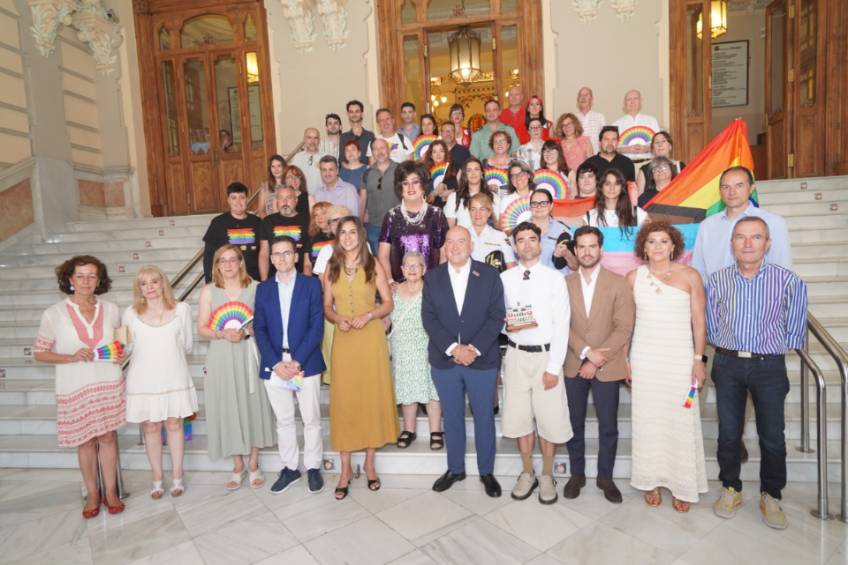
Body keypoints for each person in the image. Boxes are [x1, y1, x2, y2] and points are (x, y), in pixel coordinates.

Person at [707, 216, 807, 529]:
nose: (748, 244)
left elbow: (796, 326)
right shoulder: (718, 280)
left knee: (772, 435)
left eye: (756, 237)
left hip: (769, 366)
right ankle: (731, 488)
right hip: (728, 364)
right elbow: (711, 324)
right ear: (732, 243)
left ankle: (771, 494)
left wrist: (773, 348)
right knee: (728, 433)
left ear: (768, 243)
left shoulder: (788, 281)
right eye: (741, 237)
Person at [34, 256, 126, 518]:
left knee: (107, 437)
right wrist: (70, 357)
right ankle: (93, 494)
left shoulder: (111, 309)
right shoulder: (54, 313)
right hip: (75, 385)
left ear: (99, 280)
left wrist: (121, 354)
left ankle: (111, 492)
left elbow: (121, 344)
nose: (86, 281)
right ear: (70, 279)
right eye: (80, 276)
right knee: (85, 442)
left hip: (107, 382)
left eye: (92, 276)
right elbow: (39, 353)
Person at [626, 221, 708, 512]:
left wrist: (698, 360)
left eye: (663, 241)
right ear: (643, 247)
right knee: (648, 420)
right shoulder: (633, 278)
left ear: (674, 246)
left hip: (680, 361)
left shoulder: (690, 275)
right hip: (644, 359)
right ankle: (649, 480)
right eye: (652, 241)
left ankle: (682, 484)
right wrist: (625, 359)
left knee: (681, 418)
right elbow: (627, 323)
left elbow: (699, 321)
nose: (658, 246)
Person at [422, 226, 506, 498]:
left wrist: (474, 349)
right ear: (444, 247)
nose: (455, 246)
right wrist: (453, 349)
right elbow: (429, 318)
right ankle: (455, 468)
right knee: (452, 416)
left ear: (471, 245)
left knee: (484, 416)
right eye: (450, 242)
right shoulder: (432, 277)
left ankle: (486, 472)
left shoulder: (490, 275)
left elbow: (496, 315)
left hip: (482, 360)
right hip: (445, 360)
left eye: (461, 241)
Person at [323, 216, 398, 500]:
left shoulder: (373, 264)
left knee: (370, 398)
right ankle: (344, 469)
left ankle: (369, 464)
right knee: (344, 401)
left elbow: (388, 302)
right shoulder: (331, 266)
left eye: (352, 232)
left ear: (361, 235)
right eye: (343, 232)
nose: (347, 237)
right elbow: (327, 307)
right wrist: (337, 319)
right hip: (344, 340)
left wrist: (369, 315)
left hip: (370, 339)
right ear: (338, 237)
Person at [500, 222, 572, 504]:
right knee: (519, 418)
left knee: (549, 419)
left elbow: (562, 325)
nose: (527, 244)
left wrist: (554, 367)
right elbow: (500, 318)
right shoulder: (505, 279)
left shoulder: (554, 279)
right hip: (516, 355)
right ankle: (527, 472)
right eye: (521, 240)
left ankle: (546, 474)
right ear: (514, 246)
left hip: (546, 356)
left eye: (532, 239)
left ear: (540, 244)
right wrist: (507, 327)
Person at [562, 227, 635, 502]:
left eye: (592, 246)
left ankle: (606, 478)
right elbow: (560, 324)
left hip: (608, 365)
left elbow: (624, 326)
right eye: (581, 246)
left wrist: (595, 359)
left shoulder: (618, 283)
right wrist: (585, 352)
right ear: (575, 250)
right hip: (573, 362)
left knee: (608, 426)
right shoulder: (564, 283)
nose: (587, 251)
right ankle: (576, 474)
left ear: (601, 250)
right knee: (574, 422)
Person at [197, 245, 275, 490]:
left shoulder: (257, 288)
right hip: (221, 354)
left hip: (249, 352)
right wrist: (222, 333)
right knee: (227, 404)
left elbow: (266, 322)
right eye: (223, 260)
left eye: (233, 259)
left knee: (253, 403)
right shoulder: (209, 291)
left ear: (241, 262)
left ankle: (253, 462)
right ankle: (237, 464)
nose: (228, 264)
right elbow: (201, 328)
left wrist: (250, 331)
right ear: (217, 265)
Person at [254, 236, 327, 495]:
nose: (282, 258)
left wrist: (296, 361)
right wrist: (276, 363)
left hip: (304, 363)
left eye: (287, 253)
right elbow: (259, 329)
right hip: (275, 364)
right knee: (284, 420)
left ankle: (313, 467)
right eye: (276, 254)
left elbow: (316, 326)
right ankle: (290, 467)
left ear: (296, 256)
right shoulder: (263, 289)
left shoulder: (311, 285)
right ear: (271, 259)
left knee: (311, 419)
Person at [123, 265, 197, 499]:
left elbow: (187, 345)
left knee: (174, 424)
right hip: (143, 379)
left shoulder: (182, 309)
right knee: (150, 427)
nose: (150, 287)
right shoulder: (130, 313)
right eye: (144, 283)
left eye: (154, 281)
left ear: (163, 283)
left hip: (173, 375)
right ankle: (156, 477)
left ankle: (177, 475)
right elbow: (125, 347)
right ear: (139, 288)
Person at [692, 166, 792, 281]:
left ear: (751, 188)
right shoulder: (707, 225)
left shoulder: (773, 222)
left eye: (739, 186)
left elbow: (782, 267)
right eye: (725, 187)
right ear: (720, 191)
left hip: (759, 290)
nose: (732, 192)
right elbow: (698, 268)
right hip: (715, 290)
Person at [390, 251, 443, 450]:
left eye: (417, 265)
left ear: (424, 269)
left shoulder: (432, 290)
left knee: (431, 388)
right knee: (406, 388)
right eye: (408, 265)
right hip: (402, 348)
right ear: (402, 269)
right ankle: (409, 429)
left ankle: (435, 430)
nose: (412, 269)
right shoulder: (393, 291)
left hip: (427, 346)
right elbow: (386, 319)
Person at [378, 161, 449, 283]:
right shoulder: (391, 216)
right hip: (400, 287)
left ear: (423, 185)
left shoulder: (436, 214)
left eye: (415, 182)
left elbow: (444, 253)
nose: (410, 187)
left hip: (431, 285)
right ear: (400, 188)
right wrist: (390, 282)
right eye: (405, 183)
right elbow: (383, 255)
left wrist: (439, 282)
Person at [203, 182, 262, 282]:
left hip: (253, 280)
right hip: (226, 281)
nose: (238, 202)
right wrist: (209, 280)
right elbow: (209, 255)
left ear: (247, 199)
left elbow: (264, 252)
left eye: (242, 197)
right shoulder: (217, 223)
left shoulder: (257, 222)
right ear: (228, 200)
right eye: (234, 198)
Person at [258, 186, 312, 280]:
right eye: (281, 198)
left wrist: (305, 283)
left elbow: (308, 259)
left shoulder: (308, 221)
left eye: (289, 197)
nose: (285, 202)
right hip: (274, 278)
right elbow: (264, 253)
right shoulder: (268, 221)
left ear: (296, 201)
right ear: (277, 201)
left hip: (300, 277)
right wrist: (264, 281)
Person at [360, 138, 400, 252]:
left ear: (389, 150)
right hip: (374, 227)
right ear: (372, 153)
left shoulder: (400, 169)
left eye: (382, 148)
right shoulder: (367, 173)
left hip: (398, 224)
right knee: (377, 260)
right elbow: (363, 199)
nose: (379, 152)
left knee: (398, 259)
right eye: (375, 149)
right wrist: (360, 223)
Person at [528, 188, 577, 273]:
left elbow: (575, 266)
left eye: (543, 203)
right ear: (530, 207)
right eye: (534, 203)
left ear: (551, 206)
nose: (538, 207)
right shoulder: (519, 231)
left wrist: (567, 254)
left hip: (557, 280)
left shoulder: (563, 231)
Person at [445, 157, 499, 229]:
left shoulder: (494, 197)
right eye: (469, 170)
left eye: (476, 169)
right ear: (465, 175)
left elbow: (498, 225)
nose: (473, 173)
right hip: (462, 235)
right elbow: (450, 227)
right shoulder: (454, 197)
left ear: (482, 173)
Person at [468, 191, 516, 271]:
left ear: (489, 212)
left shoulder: (501, 236)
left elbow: (511, 267)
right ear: (469, 212)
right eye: (473, 209)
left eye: (482, 209)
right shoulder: (462, 236)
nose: (477, 213)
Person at [613, 89, 661, 163]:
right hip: (625, 164)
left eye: (635, 98)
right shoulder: (616, 124)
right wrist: (627, 149)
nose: (632, 102)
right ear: (624, 103)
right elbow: (611, 148)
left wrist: (647, 148)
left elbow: (660, 144)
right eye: (629, 99)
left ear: (640, 101)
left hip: (648, 163)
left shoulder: (652, 121)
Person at [498, 159, 535, 229]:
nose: (518, 178)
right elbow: (502, 227)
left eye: (521, 174)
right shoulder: (506, 201)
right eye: (513, 176)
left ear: (528, 175)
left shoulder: (538, 197)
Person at [289, 127, 327, 196]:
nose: (312, 141)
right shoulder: (297, 158)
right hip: (302, 198)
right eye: (309, 138)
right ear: (304, 139)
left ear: (319, 140)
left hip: (322, 198)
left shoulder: (326, 158)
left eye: (315, 138)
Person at [423, 139, 459, 207]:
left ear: (445, 153)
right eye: (434, 152)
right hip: (430, 208)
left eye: (441, 151)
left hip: (448, 207)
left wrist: (445, 190)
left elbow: (457, 191)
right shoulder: (425, 172)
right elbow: (423, 196)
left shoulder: (453, 168)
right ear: (431, 155)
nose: (438, 154)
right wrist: (431, 194)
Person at [339, 99, 375, 164]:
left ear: (362, 114)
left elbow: (374, 158)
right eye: (351, 112)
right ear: (348, 114)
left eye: (357, 111)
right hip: (349, 170)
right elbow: (342, 160)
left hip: (367, 170)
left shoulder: (370, 135)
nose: (354, 114)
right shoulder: (343, 137)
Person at [575, 86, 606, 154]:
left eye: (586, 95)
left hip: (596, 156)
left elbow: (605, 138)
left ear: (591, 99)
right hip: (578, 156)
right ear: (577, 99)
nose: (583, 98)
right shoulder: (573, 118)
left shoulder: (600, 117)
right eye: (581, 95)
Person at [256, 154, 285, 218]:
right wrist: (268, 222)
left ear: (283, 167)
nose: (276, 169)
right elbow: (261, 210)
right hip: (270, 221)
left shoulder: (289, 184)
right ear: (270, 169)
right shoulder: (265, 186)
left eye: (279, 166)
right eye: (273, 166)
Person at [307, 201, 334, 268]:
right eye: (316, 215)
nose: (319, 218)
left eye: (323, 213)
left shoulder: (341, 235)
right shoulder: (311, 238)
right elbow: (307, 265)